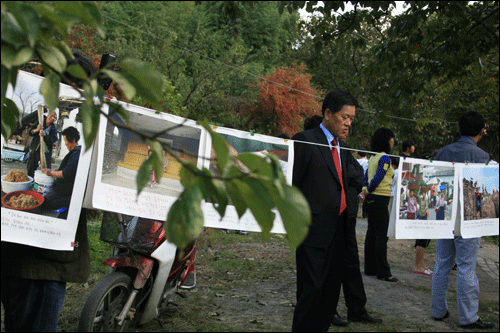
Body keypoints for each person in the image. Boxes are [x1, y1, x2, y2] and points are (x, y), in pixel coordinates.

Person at [292, 89, 370, 331]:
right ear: (328, 113)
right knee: (311, 294)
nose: (348, 123)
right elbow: (293, 184)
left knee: (329, 296)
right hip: (312, 232)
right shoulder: (305, 140)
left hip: (341, 231)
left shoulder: (342, 147)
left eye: (351, 119)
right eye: (344, 117)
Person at [431, 111, 494, 329]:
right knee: (467, 267)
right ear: (481, 131)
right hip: (469, 220)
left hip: (443, 215)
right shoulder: (484, 158)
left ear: (459, 130)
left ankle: (438, 310)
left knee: (442, 264)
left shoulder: (442, 152)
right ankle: (468, 317)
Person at [360, 127, 398, 283]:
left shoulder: (373, 158)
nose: (393, 141)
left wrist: (364, 191)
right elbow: (379, 177)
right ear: (386, 140)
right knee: (381, 236)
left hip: (370, 199)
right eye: (391, 138)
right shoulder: (384, 158)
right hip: (379, 198)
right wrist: (368, 190)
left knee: (372, 233)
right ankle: (383, 271)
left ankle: (370, 268)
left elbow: (366, 176)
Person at [41, 126, 81, 211]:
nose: (65, 144)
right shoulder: (74, 153)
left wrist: (51, 172)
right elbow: (69, 168)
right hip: (63, 187)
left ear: (73, 140)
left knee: (44, 203)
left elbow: (65, 173)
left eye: (66, 141)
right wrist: (59, 169)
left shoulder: (76, 154)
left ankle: (70, 201)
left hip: (64, 190)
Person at [26, 111, 58, 178]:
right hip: (35, 148)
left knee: (46, 168)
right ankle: (31, 182)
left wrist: (45, 135)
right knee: (31, 167)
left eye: (54, 117)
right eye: (51, 115)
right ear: (48, 115)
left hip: (46, 151)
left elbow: (53, 139)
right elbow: (30, 132)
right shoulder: (40, 121)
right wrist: (37, 130)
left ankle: (43, 183)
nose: (52, 118)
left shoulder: (53, 128)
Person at [414, 191, 433, 276]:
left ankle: (421, 265)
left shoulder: (427, 199)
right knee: (422, 239)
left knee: (426, 239)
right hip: (422, 217)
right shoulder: (420, 199)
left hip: (426, 215)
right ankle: (418, 266)